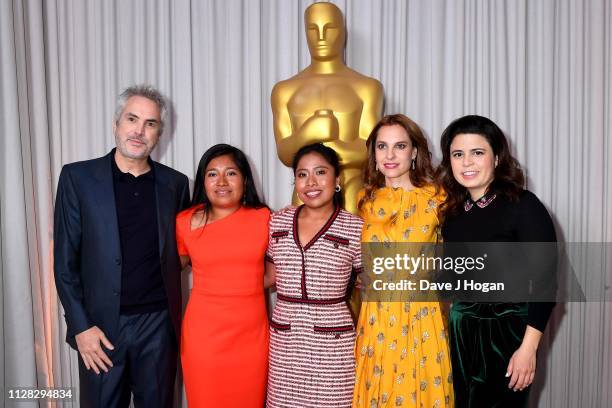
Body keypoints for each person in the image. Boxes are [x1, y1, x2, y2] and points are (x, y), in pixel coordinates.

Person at [53, 85, 190, 407]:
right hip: (100, 329)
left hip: (158, 327)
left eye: (150, 123)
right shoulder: (77, 178)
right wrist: (81, 326)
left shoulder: (176, 184)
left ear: (160, 134)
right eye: (132, 119)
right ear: (116, 123)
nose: (139, 130)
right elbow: (64, 262)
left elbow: (185, 249)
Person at [437, 115, 556, 407]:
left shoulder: (524, 205)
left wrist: (528, 350)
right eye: (458, 154)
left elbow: (546, 283)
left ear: (497, 157)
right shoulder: (452, 213)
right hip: (462, 328)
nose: (467, 163)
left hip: (509, 331)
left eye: (477, 152)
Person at [353, 114, 454, 408]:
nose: (389, 155)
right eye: (382, 147)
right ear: (373, 154)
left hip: (423, 319)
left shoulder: (438, 198)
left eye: (399, 146)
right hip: (377, 319)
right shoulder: (365, 200)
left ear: (414, 152)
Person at [265, 143, 363, 407]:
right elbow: (268, 275)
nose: (311, 182)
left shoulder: (356, 228)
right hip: (286, 342)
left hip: (333, 345)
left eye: (320, 172)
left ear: (337, 179)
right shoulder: (277, 221)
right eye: (302, 174)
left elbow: (374, 284)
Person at [176, 144, 270, 407]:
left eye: (231, 173)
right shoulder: (185, 221)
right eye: (212, 174)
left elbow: (278, 270)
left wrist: (245, 285)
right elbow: (166, 272)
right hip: (203, 339)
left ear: (244, 179)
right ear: (203, 181)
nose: (221, 181)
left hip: (251, 340)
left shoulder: (264, 218)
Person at [271, 1, 383, 215]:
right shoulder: (284, 90)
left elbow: (370, 151)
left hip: (351, 191)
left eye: (329, 28)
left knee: (353, 246)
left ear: (342, 32)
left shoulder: (367, 87)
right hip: (306, 194)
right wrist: (307, 133)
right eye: (313, 29)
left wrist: (321, 146)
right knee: (301, 246)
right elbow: (284, 153)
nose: (321, 36)